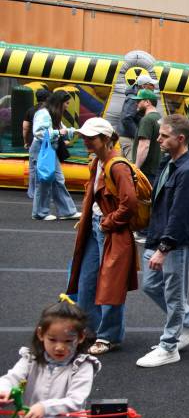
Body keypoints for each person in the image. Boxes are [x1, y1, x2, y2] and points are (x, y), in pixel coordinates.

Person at [136, 115, 189, 368]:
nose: (158, 139)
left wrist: (164, 248)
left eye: (163, 136)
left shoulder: (188, 172)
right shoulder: (171, 163)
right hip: (157, 236)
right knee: (150, 285)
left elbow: (180, 215)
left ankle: (169, 347)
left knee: (174, 295)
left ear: (180, 138)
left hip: (174, 243)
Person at [66, 118, 139, 357]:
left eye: (91, 137)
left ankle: (109, 336)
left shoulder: (117, 166)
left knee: (111, 284)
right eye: (85, 137)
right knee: (86, 280)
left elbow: (130, 204)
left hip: (111, 230)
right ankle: (89, 330)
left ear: (105, 139)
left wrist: (107, 222)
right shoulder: (97, 161)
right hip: (96, 227)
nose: (86, 140)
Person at [31, 90, 80, 221]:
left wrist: (75, 131)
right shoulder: (44, 113)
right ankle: (40, 213)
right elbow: (39, 132)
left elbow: (61, 129)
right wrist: (59, 133)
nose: (67, 106)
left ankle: (67, 211)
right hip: (42, 149)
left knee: (58, 180)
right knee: (43, 181)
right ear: (59, 103)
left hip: (49, 149)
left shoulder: (52, 114)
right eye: (67, 103)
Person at [117, 73, 157, 158]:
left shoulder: (135, 96)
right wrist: (138, 135)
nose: (154, 87)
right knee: (133, 164)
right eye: (151, 85)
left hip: (127, 136)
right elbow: (127, 118)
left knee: (124, 164)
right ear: (144, 86)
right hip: (129, 137)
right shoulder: (133, 98)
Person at [130, 88, 162, 182]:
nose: (137, 104)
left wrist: (136, 168)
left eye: (139, 101)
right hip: (156, 171)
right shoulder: (160, 118)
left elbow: (144, 146)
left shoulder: (147, 120)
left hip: (145, 172)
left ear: (147, 102)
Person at [22, 87, 48, 199]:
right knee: (45, 168)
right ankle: (42, 193)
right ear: (47, 98)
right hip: (46, 142)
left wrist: (26, 141)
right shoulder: (48, 111)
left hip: (33, 142)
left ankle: (32, 193)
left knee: (32, 169)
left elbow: (25, 128)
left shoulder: (30, 110)